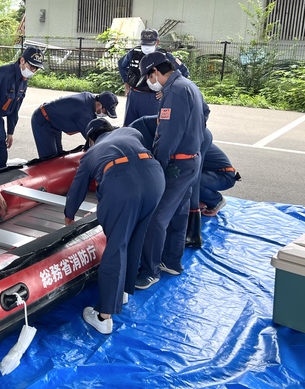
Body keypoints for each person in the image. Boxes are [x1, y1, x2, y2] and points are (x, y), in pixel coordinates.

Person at [64, 118, 164, 334]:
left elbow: (78, 187)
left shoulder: (91, 153)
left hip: (122, 185)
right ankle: (123, 292)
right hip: (155, 179)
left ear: (91, 139)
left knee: (116, 246)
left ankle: (104, 316)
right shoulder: (131, 132)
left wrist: (69, 215)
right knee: (135, 237)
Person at [134, 51, 207, 290]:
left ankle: (150, 270)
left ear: (155, 71)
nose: (149, 82)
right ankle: (172, 261)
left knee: (156, 217)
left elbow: (167, 136)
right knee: (179, 213)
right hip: (192, 160)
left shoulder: (174, 91)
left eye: (148, 77)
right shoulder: (189, 85)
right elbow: (205, 113)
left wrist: (159, 166)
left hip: (177, 165)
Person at [118, 28, 189, 127]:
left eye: (150, 44)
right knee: (129, 127)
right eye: (144, 44)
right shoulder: (134, 53)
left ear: (157, 42)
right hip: (134, 95)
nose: (147, 47)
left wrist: (167, 90)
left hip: (153, 98)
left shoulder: (164, 56)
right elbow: (121, 64)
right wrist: (126, 82)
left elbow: (184, 72)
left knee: (151, 127)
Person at [31, 91, 119, 159]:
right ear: (99, 105)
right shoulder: (83, 112)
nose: (105, 115)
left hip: (55, 122)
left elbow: (97, 127)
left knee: (57, 156)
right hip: (43, 121)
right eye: (105, 112)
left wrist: (116, 130)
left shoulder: (91, 100)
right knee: (49, 158)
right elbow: (94, 137)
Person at [199, 143, 241, 217]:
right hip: (212, 173)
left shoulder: (196, 141)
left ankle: (216, 200)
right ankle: (202, 199)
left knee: (194, 182)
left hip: (224, 176)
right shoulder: (191, 139)